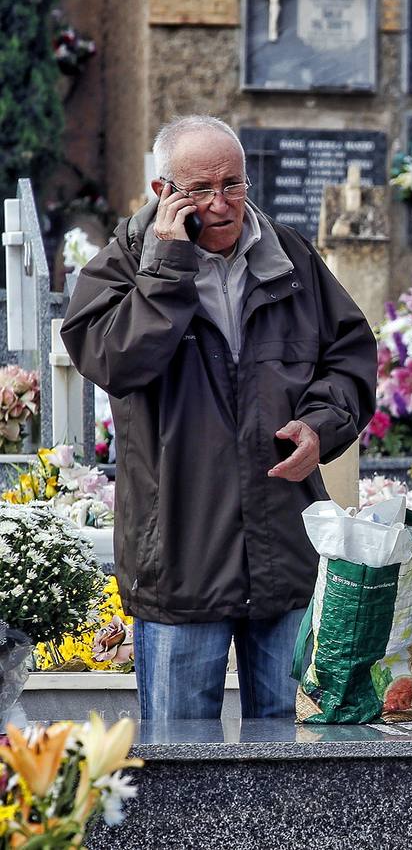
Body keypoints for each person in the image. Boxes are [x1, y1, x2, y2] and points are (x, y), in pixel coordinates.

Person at [61, 115, 378, 720]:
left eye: (233, 184)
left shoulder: (290, 258)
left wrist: (320, 426)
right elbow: (116, 362)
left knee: (295, 763)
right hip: (182, 557)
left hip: (283, 548)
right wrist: (169, 267)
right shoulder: (123, 267)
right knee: (180, 771)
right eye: (200, 190)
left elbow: (350, 358)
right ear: (162, 193)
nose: (222, 203)